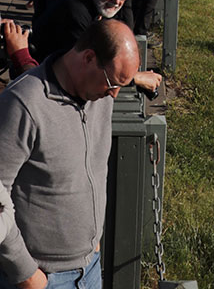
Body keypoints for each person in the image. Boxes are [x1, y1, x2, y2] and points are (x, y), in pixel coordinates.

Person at [0, 18, 136, 289]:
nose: (114, 95)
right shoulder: (23, 104)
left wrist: (92, 242)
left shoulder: (98, 94)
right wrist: (26, 273)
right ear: (88, 57)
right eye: (112, 83)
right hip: (41, 278)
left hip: (90, 268)